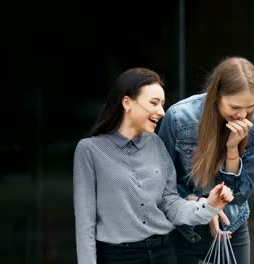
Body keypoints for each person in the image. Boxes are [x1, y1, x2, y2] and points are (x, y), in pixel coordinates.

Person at [73, 67, 234, 264]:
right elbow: (85, 226)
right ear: (127, 102)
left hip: (163, 253)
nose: (161, 111)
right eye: (154, 103)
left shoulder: (156, 144)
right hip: (117, 257)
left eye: (163, 104)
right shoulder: (89, 151)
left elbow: (171, 204)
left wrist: (209, 205)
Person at [158, 57, 254, 264]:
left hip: (232, 228)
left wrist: (232, 150)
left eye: (250, 107)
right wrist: (204, 207)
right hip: (185, 230)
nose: (243, 115)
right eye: (234, 107)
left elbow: (240, 194)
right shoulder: (178, 117)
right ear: (216, 95)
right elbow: (164, 186)